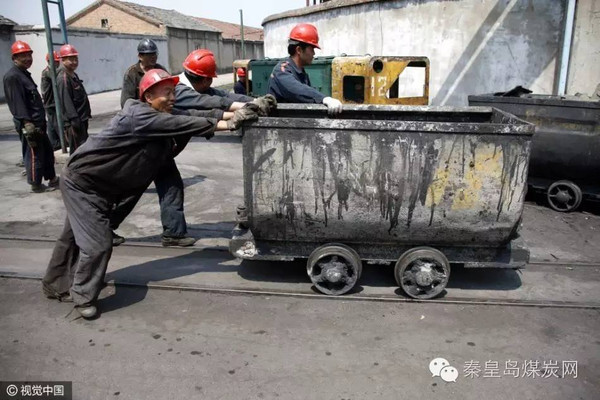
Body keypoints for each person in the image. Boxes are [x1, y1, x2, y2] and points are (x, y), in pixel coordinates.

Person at [42, 69, 262, 318]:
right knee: (98, 243)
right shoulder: (138, 116)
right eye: (166, 92)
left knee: (72, 237)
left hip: (104, 185)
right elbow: (181, 123)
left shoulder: (159, 112)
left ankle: (56, 283)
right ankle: (83, 297)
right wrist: (229, 123)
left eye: (173, 92)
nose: (172, 97)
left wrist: (239, 111)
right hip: (83, 185)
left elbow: (191, 114)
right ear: (148, 96)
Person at [3, 40, 59, 193]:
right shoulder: (13, 77)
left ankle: (52, 178)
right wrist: (27, 122)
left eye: (29, 55)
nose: (28, 58)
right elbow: (17, 102)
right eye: (23, 56)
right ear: (15, 58)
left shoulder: (23, 74)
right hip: (30, 124)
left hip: (38, 122)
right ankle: (36, 184)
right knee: (34, 154)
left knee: (47, 150)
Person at [268, 23, 342, 115]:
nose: (314, 53)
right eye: (312, 49)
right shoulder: (282, 70)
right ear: (299, 50)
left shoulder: (301, 73)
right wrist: (324, 98)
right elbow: (295, 89)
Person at [57, 44, 91, 155]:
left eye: (75, 59)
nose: (74, 62)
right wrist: (74, 120)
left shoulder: (73, 74)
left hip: (82, 119)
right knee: (77, 151)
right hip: (74, 122)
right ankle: (73, 171)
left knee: (83, 149)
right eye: (71, 59)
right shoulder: (63, 78)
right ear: (63, 60)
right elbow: (66, 101)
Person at [182, 49, 253, 102]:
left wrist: (254, 101)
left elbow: (225, 95)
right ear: (205, 81)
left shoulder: (202, 89)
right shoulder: (182, 94)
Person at [120, 39, 169, 108]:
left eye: (154, 54)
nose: (153, 57)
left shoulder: (160, 70)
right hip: (141, 113)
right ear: (140, 56)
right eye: (149, 55)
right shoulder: (132, 73)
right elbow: (126, 102)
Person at [41, 51, 62, 151]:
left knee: (51, 124)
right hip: (51, 103)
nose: (57, 64)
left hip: (51, 103)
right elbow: (57, 76)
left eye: (58, 62)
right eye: (56, 62)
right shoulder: (48, 72)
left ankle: (54, 143)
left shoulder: (50, 71)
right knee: (57, 124)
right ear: (49, 61)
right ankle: (62, 140)